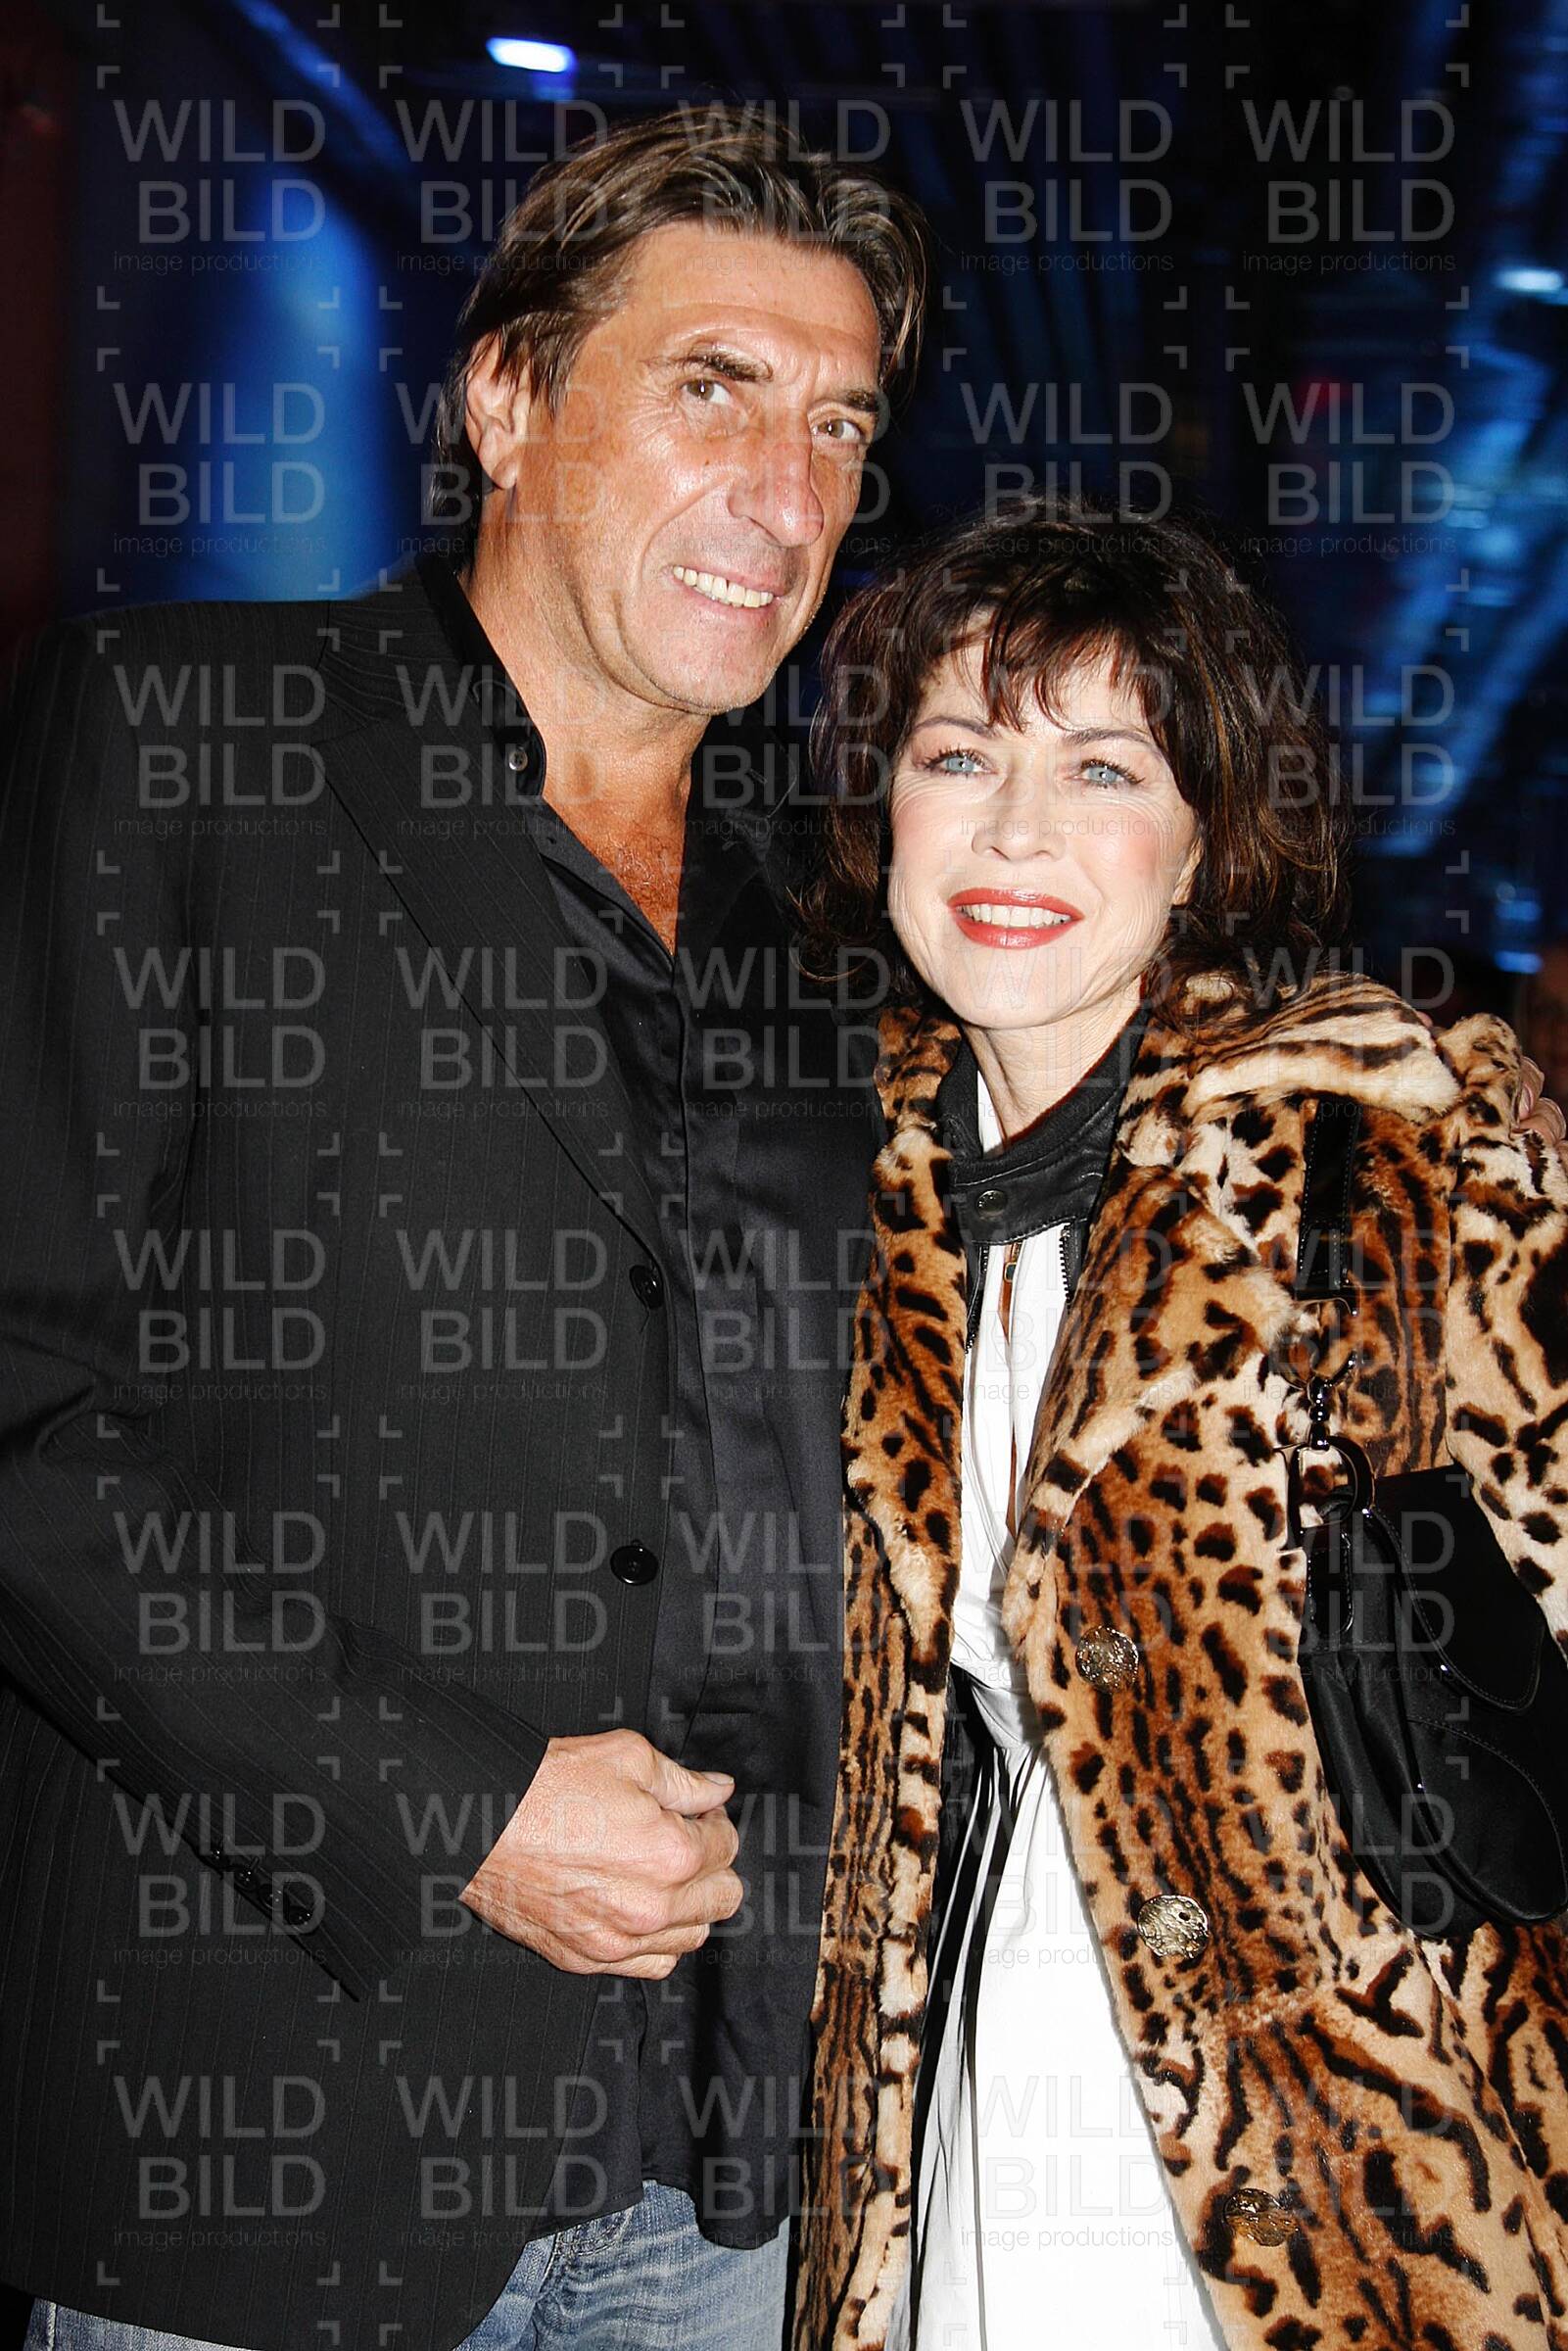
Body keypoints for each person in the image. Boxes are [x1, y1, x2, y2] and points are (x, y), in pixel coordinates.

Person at [0, 113, 927, 2351]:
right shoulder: (185, 743)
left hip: (716, 2173)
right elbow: (23, 1426)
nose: (786, 493)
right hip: (264, 2125)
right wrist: (457, 1808)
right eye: (714, 388)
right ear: (508, 400)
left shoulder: (830, 944)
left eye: (838, 427)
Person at [789, 497, 1568, 2350]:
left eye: (1102, 769)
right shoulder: (817, 1191)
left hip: (1370, 2145)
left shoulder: (1403, 1158)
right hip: (962, 2073)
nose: (1014, 830)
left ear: (1203, 835)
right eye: (957, 755)